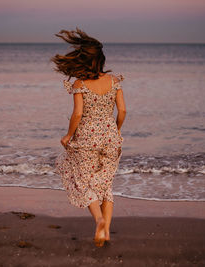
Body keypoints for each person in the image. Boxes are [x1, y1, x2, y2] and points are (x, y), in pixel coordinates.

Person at [51, 27, 126, 247]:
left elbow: (78, 114)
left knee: (84, 182)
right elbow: (122, 111)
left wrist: (68, 135)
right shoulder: (114, 81)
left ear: (82, 61)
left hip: (86, 140)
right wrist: (116, 130)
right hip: (111, 138)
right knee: (106, 185)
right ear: (101, 60)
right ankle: (107, 232)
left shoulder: (80, 84)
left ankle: (99, 221)